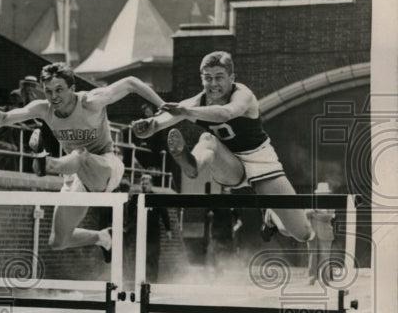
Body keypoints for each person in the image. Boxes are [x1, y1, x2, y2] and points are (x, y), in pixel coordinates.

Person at [0, 62, 166, 260]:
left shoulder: (91, 101)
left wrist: (162, 106)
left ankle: (48, 163)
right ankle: (103, 237)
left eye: (59, 90)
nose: (54, 97)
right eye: (49, 91)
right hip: (75, 173)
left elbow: (130, 82)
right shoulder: (44, 109)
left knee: (80, 154)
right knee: (58, 241)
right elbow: (2, 119)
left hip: (105, 167)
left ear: (72, 89)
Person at [131, 50, 314, 245]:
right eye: (207, 78)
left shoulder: (243, 95)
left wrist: (186, 111)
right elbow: (160, 122)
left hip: (261, 161)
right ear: (202, 80)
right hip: (229, 163)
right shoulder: (195, 102)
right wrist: (147, 126)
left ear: (232, 78)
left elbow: (226, 113)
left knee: (302, 233)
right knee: (208, 140)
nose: (213, 84)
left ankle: (272, 218)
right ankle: (192, 165)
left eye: (219, 78)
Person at [138, 174, 171, 282]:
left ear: (151, 185)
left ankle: (153, 281)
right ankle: (142, 281)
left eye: (147, 184)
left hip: (153, 233)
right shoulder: (137, 198)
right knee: (141, 257)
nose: (144, 186)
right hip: (141, 233)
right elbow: (131, 213)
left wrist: (168, 230)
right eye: (143, 184)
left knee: (153, 257)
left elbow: (164, 213)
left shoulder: (156, 198)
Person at [305, 182, 336, 285]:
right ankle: (311, 278)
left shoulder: (331, 203)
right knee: (312, 256)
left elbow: (328, 217)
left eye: (324, 193)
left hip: (326, 234)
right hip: (312, 234)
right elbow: (305, 214)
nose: (322, 195)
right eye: (321, 193)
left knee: (325, 257)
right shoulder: (312, 202)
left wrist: (314, 212)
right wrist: (318, 212)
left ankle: (325, 279)